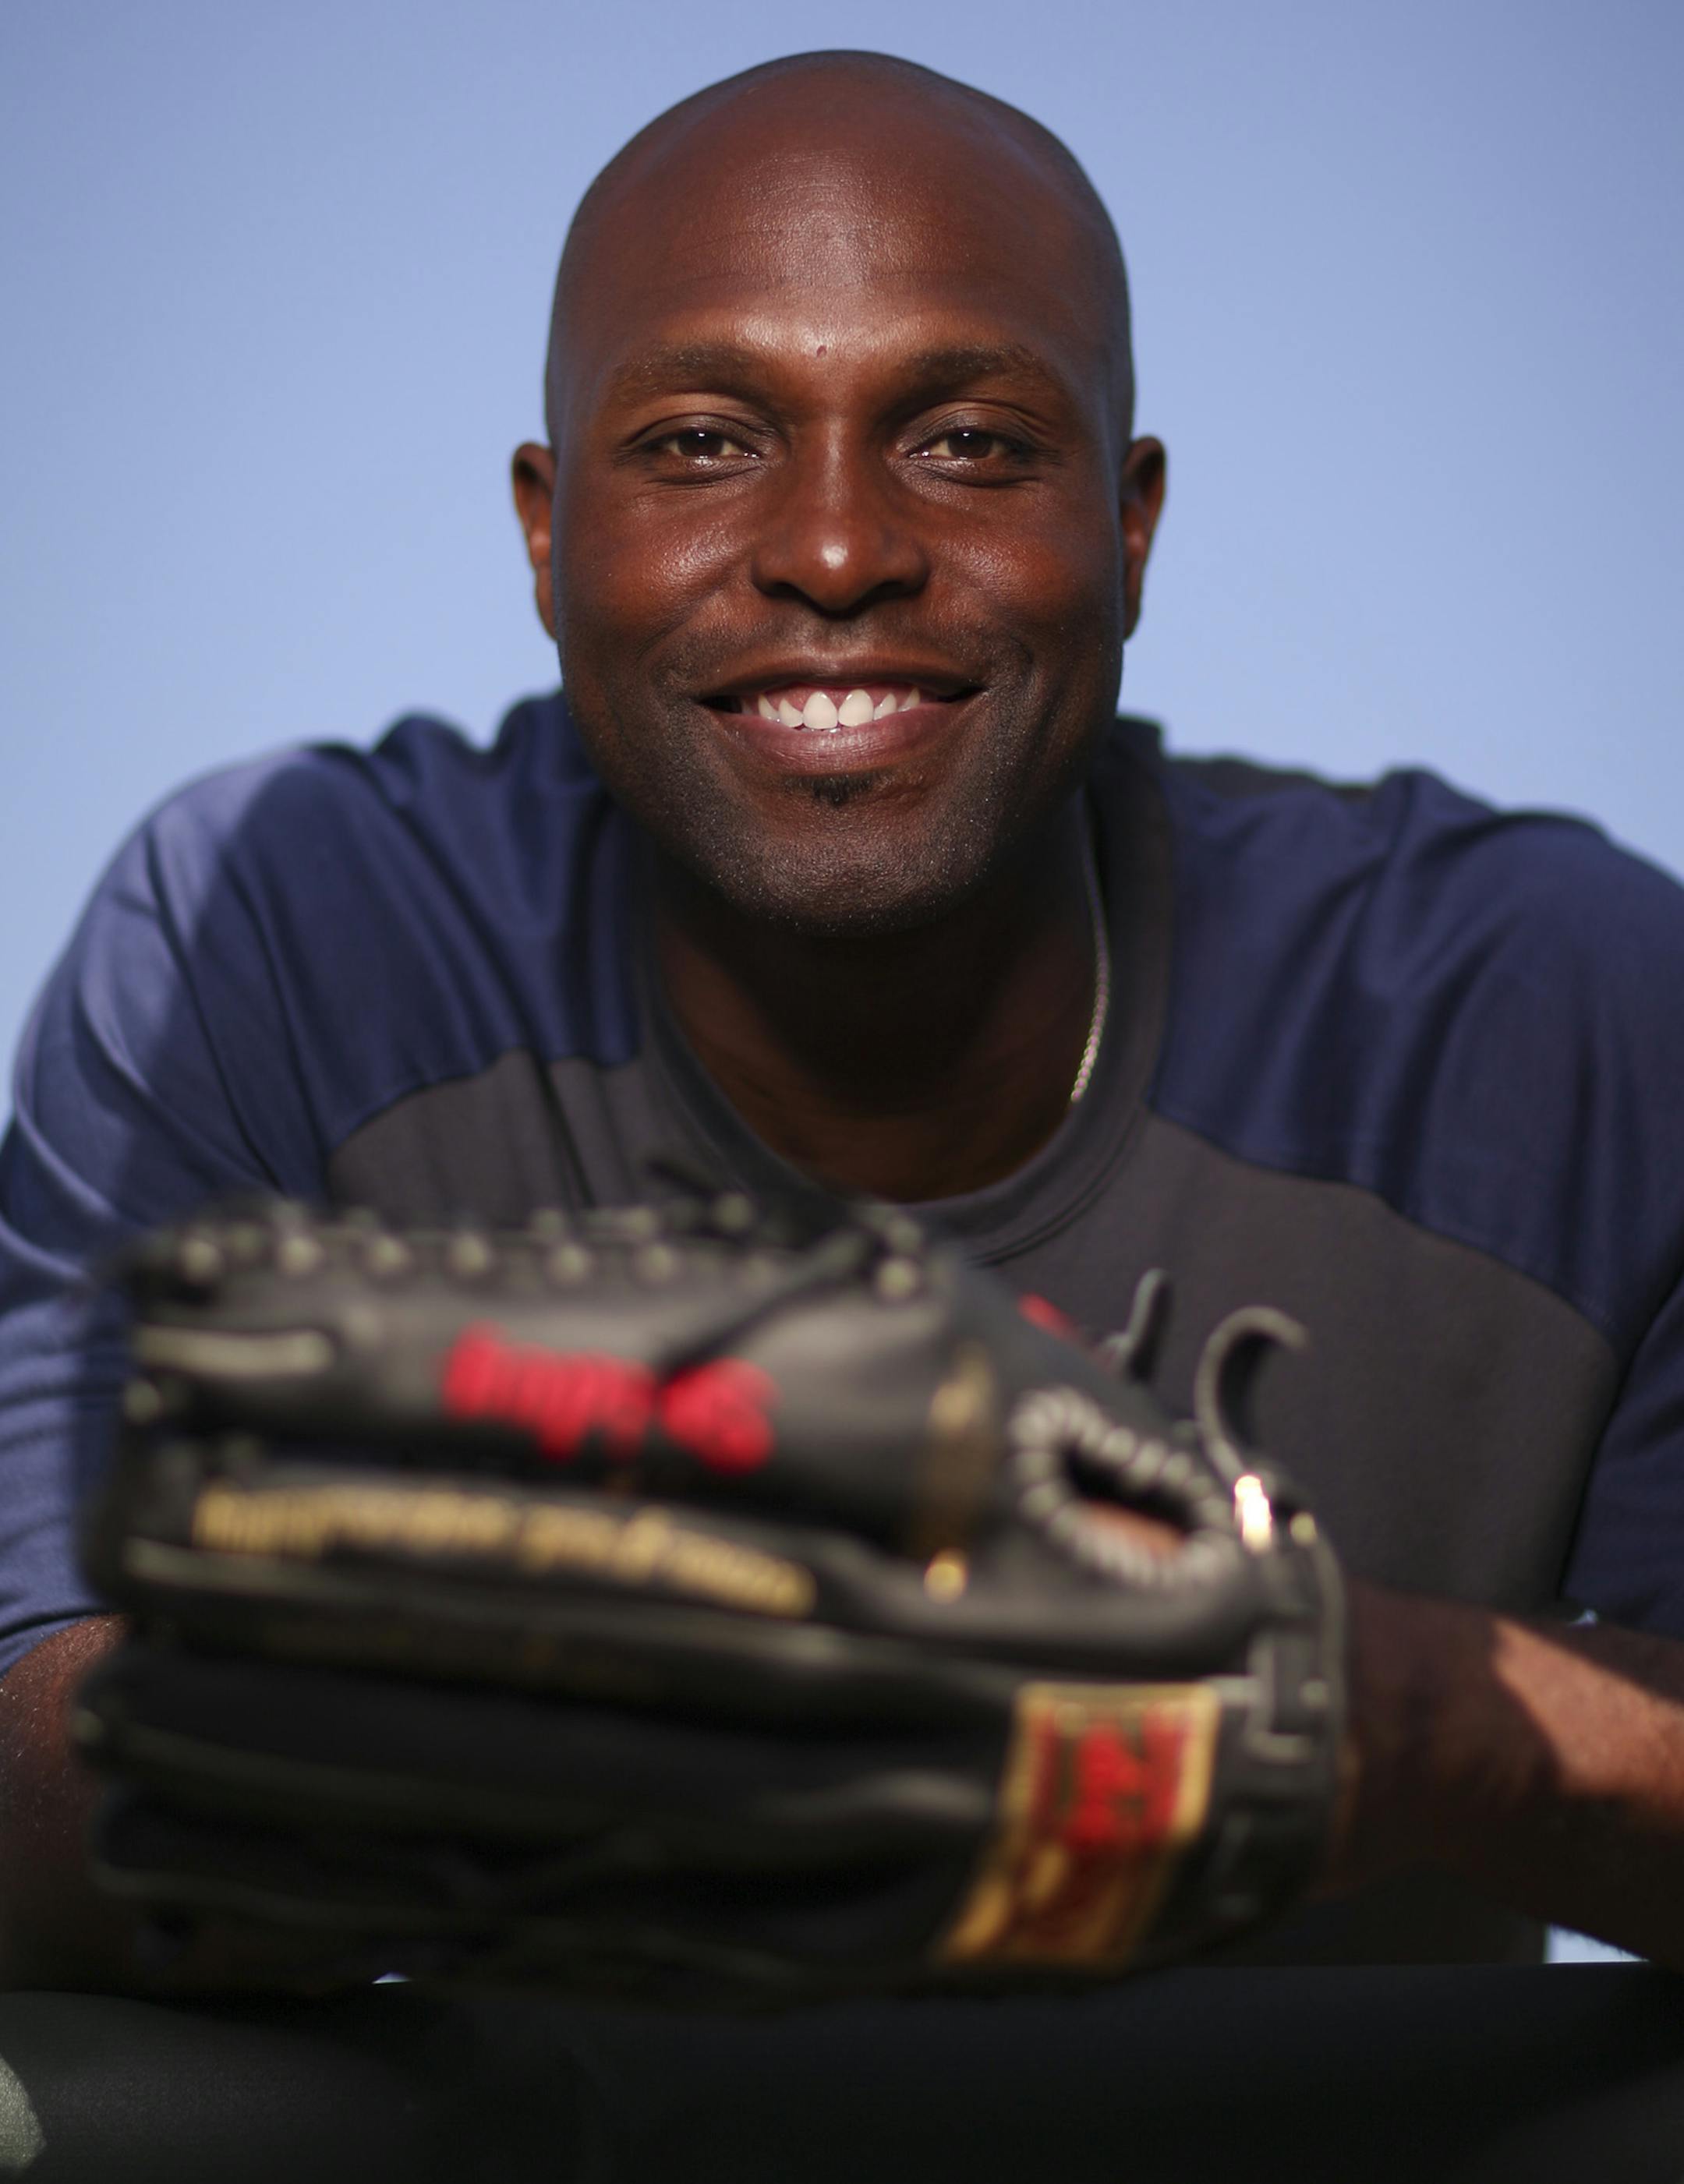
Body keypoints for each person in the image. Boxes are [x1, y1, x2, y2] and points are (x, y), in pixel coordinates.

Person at [3, 48, 1684, 1993]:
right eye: (704, 440)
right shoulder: (282, 931)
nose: (830, 548)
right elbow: (36, 1744)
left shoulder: (1557, 1016)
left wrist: (1361, 1701)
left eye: (966, 441)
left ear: (1128, 527)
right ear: (547, 538)